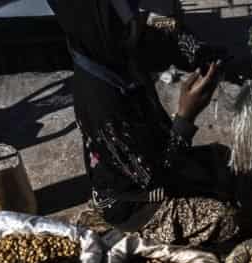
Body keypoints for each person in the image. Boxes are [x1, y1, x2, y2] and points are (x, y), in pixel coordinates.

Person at [47, 0, 239, 245]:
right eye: (127, 26)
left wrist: (200, 54)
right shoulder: (103, 106)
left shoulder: (110, 50)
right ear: (103, 29)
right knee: (226, 219)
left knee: (223, 161)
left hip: (156, 154)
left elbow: (162, 31)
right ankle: (142, 235)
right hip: (135, 202)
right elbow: (156, 178)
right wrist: (186, 116)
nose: (136, 28)